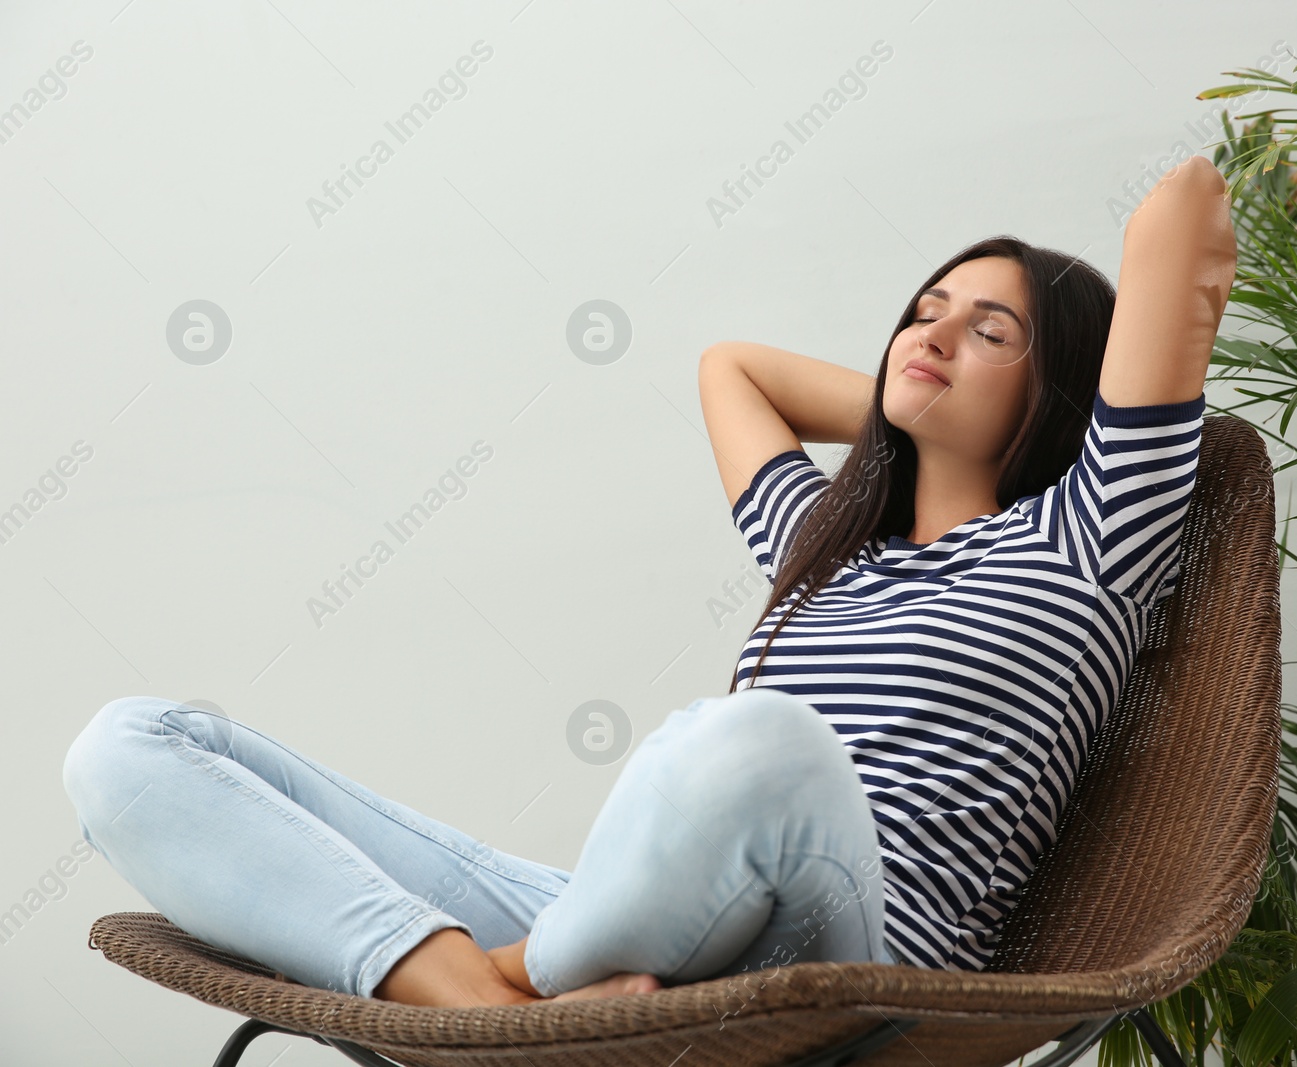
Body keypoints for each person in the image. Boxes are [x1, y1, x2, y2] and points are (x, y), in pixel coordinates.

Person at [60, 155, 1236, 1007]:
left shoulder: (1092, 536)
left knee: (755, 741)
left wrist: (984, 422)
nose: (929, 332)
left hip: (851, 956)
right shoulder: (825, 545)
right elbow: (729, 365)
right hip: (633, 911)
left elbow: (1177, 215)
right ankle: (484, 1005)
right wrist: (900, 418)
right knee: (133, 745)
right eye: (921, 313)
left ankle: (509, 980)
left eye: (991, 331)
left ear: (1070, 395)